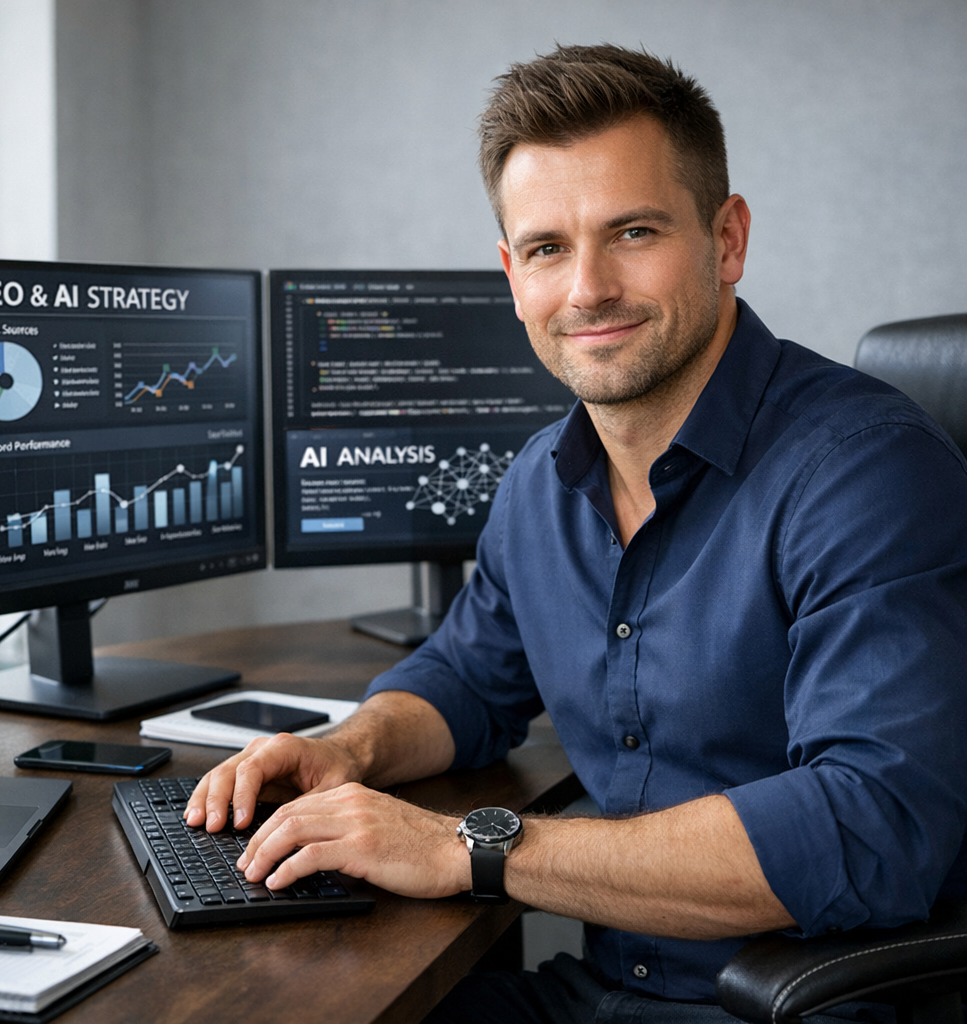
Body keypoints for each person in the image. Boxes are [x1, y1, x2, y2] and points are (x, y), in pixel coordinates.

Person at [185, 45, 967, 1022]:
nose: (587, 288)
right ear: (513, 276)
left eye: (632, 231)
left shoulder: (866, 470)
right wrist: (352, 748)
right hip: (596, 994)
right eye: (548, 248)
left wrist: (468, 847)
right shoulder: (538, 487)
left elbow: (870, 827)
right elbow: (468, 677)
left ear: (726, 239)